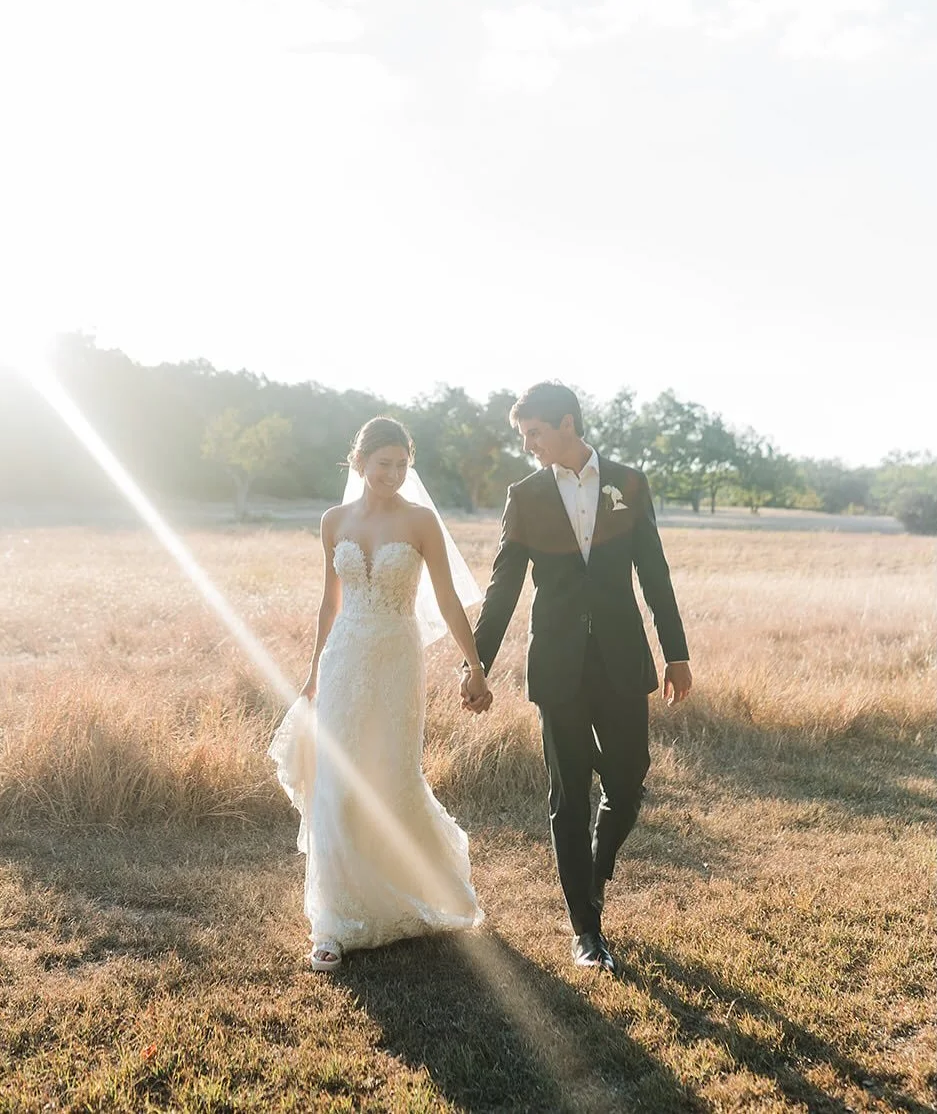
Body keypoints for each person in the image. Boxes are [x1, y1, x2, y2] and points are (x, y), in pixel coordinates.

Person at [465, 382, 692, 973]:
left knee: (629, 778)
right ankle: (586, 930)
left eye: (535, 434)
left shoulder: (628, 482)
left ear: (567, 423)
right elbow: (503, 586)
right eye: (524, 437)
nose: (530, 446)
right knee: (568, 797)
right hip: (558, 666)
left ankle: (593, 873)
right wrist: (478, 665)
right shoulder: (526, 495)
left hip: (622, 658)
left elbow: (656, 574)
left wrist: (677, 653)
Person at [269, 416, 490, 972]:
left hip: (395, 658)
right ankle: (334, 922)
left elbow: (445, 599)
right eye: (382, 463)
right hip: (343, 659)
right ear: (359, 462)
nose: (392, 473)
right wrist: (313, 672)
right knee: (338, 781)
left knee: (391, 774)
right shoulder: (333, 520)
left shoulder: (420, 523)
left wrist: (476, 665)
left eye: (401, 464)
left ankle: (405, 896)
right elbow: (330, 603)